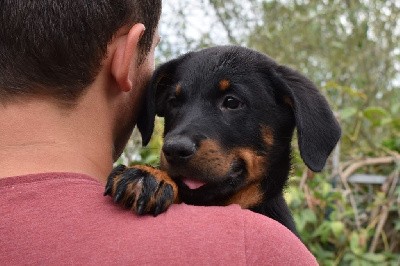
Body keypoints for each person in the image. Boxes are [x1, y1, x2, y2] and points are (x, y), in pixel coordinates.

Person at [0, 1, 318, 265]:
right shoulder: (254, 252)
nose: (176, 141)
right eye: (174, 104)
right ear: (126, 54)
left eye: (231, 103)